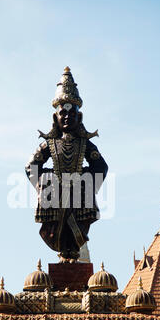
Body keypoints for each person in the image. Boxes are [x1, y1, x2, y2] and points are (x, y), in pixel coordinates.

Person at [25, 67, 108, 262]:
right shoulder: (50, 144)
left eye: (72, 114)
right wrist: (46, 181)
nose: (67, 117)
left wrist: (85, 181)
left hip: (79, 196)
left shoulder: (85, 144)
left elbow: (101, 167)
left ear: (79, 117)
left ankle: (72, 251)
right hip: (54, 194)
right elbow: (31, 166)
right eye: (63, 113)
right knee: (57, 231)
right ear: (56, 117)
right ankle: (63, 251)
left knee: (77, 229)